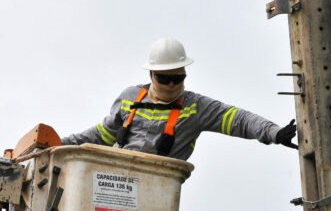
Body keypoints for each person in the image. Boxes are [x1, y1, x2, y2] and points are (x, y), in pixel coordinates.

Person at [61, 38, 297, 161]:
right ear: (152, 75)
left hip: (158, 186)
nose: (172, 84)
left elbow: (238, 119)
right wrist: (56, 144)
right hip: (114, 181)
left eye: (178, 77)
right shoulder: (129, 97)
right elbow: (101, 135)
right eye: (165, 78)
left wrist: (273, 133)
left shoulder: (195, 108)